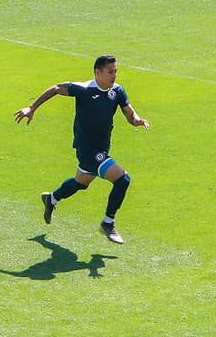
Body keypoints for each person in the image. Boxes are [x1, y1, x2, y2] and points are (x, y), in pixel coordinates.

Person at [14, 54, 150, 245]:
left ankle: (51, 199)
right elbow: (56, 88)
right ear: (97, 72)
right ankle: (108, 222)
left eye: (116, 71)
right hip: (87, 150)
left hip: (102, 148)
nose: (114, 75)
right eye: (110, 72)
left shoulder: (117, 91)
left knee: (81, 183)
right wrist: (32, 108)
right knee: (123, 179)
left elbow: (129, 113)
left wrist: (137, 120)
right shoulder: (85, 89)